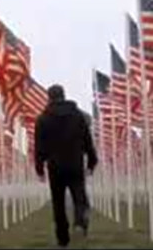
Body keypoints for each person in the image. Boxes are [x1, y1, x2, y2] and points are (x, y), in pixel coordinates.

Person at [34, 84, 98, 248]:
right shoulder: (78, 116)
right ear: (64, 95)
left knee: (58, 203)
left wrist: (39, 168)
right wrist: (92, 161)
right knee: (80, 197)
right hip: (75, 163)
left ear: (49, 97)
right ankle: (80, 222)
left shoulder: (43, 119)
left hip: (55, 167)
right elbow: (87, 141)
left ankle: (63, 239)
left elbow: (39, 146)